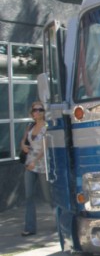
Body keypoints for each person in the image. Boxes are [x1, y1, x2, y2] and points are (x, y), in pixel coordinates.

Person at [20, 101, 51, 236]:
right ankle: (30, 228)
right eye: (34, 110)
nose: (37, 112)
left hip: (42, 165)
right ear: (31, 113)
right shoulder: (30, 126)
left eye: (40, 109)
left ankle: (61, 222)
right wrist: (23, 146)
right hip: (29, 164)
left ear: (44, 112)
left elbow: (46, 147)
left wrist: (36, 161)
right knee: (29, 196)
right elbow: (24, 140)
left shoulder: (47, 127)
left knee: (48, 197)